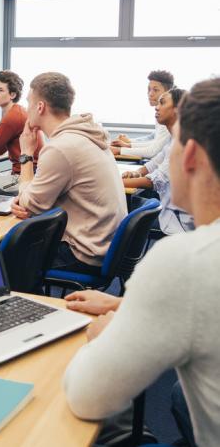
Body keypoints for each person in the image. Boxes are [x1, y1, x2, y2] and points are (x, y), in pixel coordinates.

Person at [63, 77, 220, 447]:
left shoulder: (185, 260)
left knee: (105, 423)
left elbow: (86, 397)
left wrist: (102, 339)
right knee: (181, 395)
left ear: (192, 155)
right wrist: (128, 305)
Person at [12, 72, 127, 275]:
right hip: (106, 247)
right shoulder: (86, 135)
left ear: (40, 107)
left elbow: (30, 204)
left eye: (29, 103)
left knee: (0, 261)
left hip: (83, 254)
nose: (26, 109)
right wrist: (28, 196)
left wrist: (26, 155)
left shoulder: (61, 147)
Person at [122, 87, 194, 235]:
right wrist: (136, 173)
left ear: (177, 109)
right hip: (173, 215)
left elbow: (156, 180)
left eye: (162, 103)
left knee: (123, 217)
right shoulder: (173, 137)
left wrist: (114, 181)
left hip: (178, 226)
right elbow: (155, 162)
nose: (156, 106)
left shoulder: (182, 142)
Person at [111, 70, 174, 159]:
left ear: (168, 93)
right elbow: (155, 142)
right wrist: (128, 145)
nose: (150, 94)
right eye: (149, 89)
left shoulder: (169, 116)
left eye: (155, 90)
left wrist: (120, 150)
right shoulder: (159, 113)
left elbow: (153, 150)